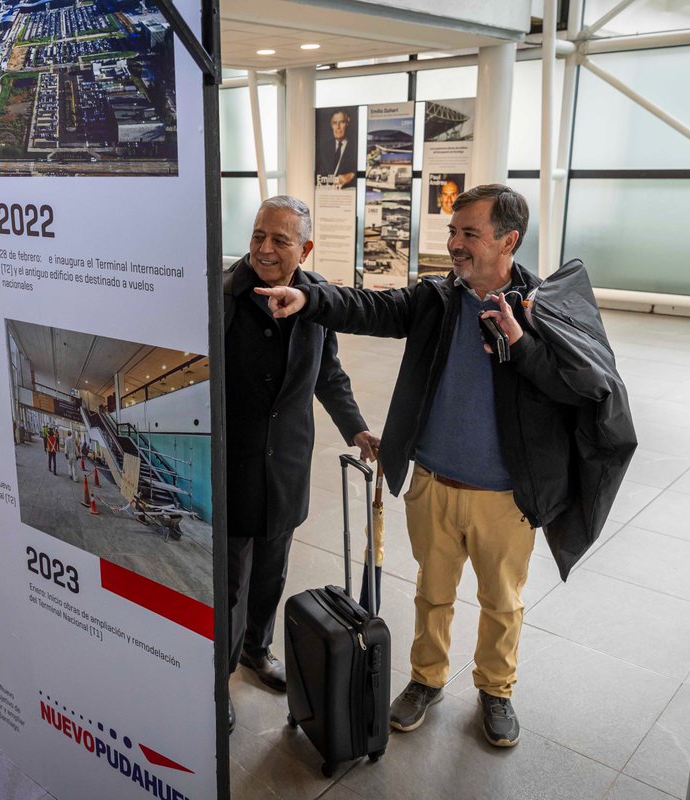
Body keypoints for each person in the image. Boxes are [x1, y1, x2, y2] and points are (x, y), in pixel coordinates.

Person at [256, 184, 627, 748]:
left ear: (508, 241)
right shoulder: (438, 297)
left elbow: (584, 388)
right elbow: (373, 308)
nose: (454, 243)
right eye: (453, 231)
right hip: (432, 481)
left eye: (469, 233)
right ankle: (426, 680)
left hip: (505, 495)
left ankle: (496, 690)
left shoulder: (542, 307)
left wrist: (523, 345)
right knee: (432, 593)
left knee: (501, 602)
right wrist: (311, 299)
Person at [224, 195, 379, 733]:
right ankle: (219, 677)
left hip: (287, 461)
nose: (264, 248)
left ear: (305, 249)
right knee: (230, 582)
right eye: (258, 235)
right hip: (233, 462)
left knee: (272, 568)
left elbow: (328, 373)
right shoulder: (223, 295)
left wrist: (355, 427)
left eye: (280, 240)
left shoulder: (315, 300)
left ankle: (256, 650)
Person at [315, 109, 357, 189]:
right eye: (335, 123)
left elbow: (364, 172)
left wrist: (352, 175)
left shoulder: (356, 148)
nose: (338, 127)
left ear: (347, 123)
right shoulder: (323, 148)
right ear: (331, 125)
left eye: (342, 122)